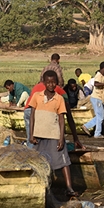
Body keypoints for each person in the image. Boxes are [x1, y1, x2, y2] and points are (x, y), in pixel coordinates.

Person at [27, 70, 78, 198]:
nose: (51, 84)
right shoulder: (36, 96)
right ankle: (38, 186)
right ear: (43, 83)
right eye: (48, 82)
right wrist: (31, 134)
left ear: (57, 83)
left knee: (63, 161)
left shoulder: (59, 99)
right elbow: (32, 116)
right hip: (39, 134)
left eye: (53, 82)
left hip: (54, 135)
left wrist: (61, 138)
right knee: (38, 161)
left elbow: (62, 119)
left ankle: (69, 188)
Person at [82, 62, 104, 138]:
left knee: (99, 116)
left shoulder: (102, 76)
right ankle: (97, 134)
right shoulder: (98, 75)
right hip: (96, 98)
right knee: (100, 117)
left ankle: (86, 126)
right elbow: (96, 84)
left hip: (98, 98)